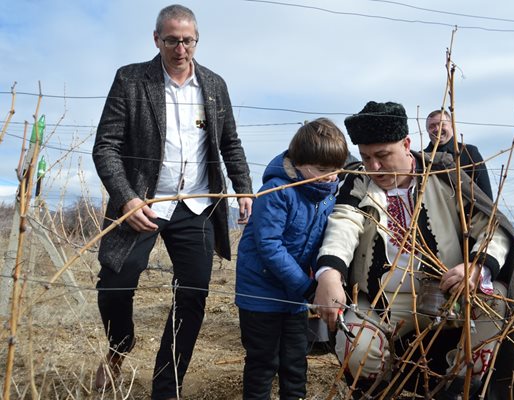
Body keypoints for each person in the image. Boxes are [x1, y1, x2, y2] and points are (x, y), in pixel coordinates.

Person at [313, 101, 514, 399]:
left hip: (449, 298)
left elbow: (490, 226)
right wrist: (329, 274)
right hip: (382, 304)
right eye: (366, 157)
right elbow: (343, 224)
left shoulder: (443, 173)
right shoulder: (359, 181)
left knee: (495, 307)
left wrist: (477, 267)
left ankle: (454, 389)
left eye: (382, 155)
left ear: (406, 144)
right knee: (357, 347)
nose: (374, 167)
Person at [92, 5, 253, 399]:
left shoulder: (214, 86)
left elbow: (230, 142)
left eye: (187, 40)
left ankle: (167, 386)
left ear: (196, 40)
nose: (180, 49)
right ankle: (119, 346)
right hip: (142, 204)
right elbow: (105, 147)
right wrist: (128, 199)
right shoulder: (131, 80)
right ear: (156, 39)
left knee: (193, 295)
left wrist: (243, 186)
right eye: (171, 40)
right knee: (115, 283)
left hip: (195, 206)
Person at [235, 118, 348, 400]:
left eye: (336, 170)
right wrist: (308, 287)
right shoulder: (277, 192)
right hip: (260, 295)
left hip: (295, 298)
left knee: (296, 362)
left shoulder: (326, 196)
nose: (331, 176)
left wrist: (325, 281)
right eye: (323, 170)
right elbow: (269, 246)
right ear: (299, 163)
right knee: (263, 362)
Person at [424, 109, 493, 199]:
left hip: (465, 212)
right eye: (432, 126)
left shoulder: (469, 153)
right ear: (427, 130)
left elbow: (486, 194)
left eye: (442, 124)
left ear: (451, 125)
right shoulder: (422, 157)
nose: (437, 129)